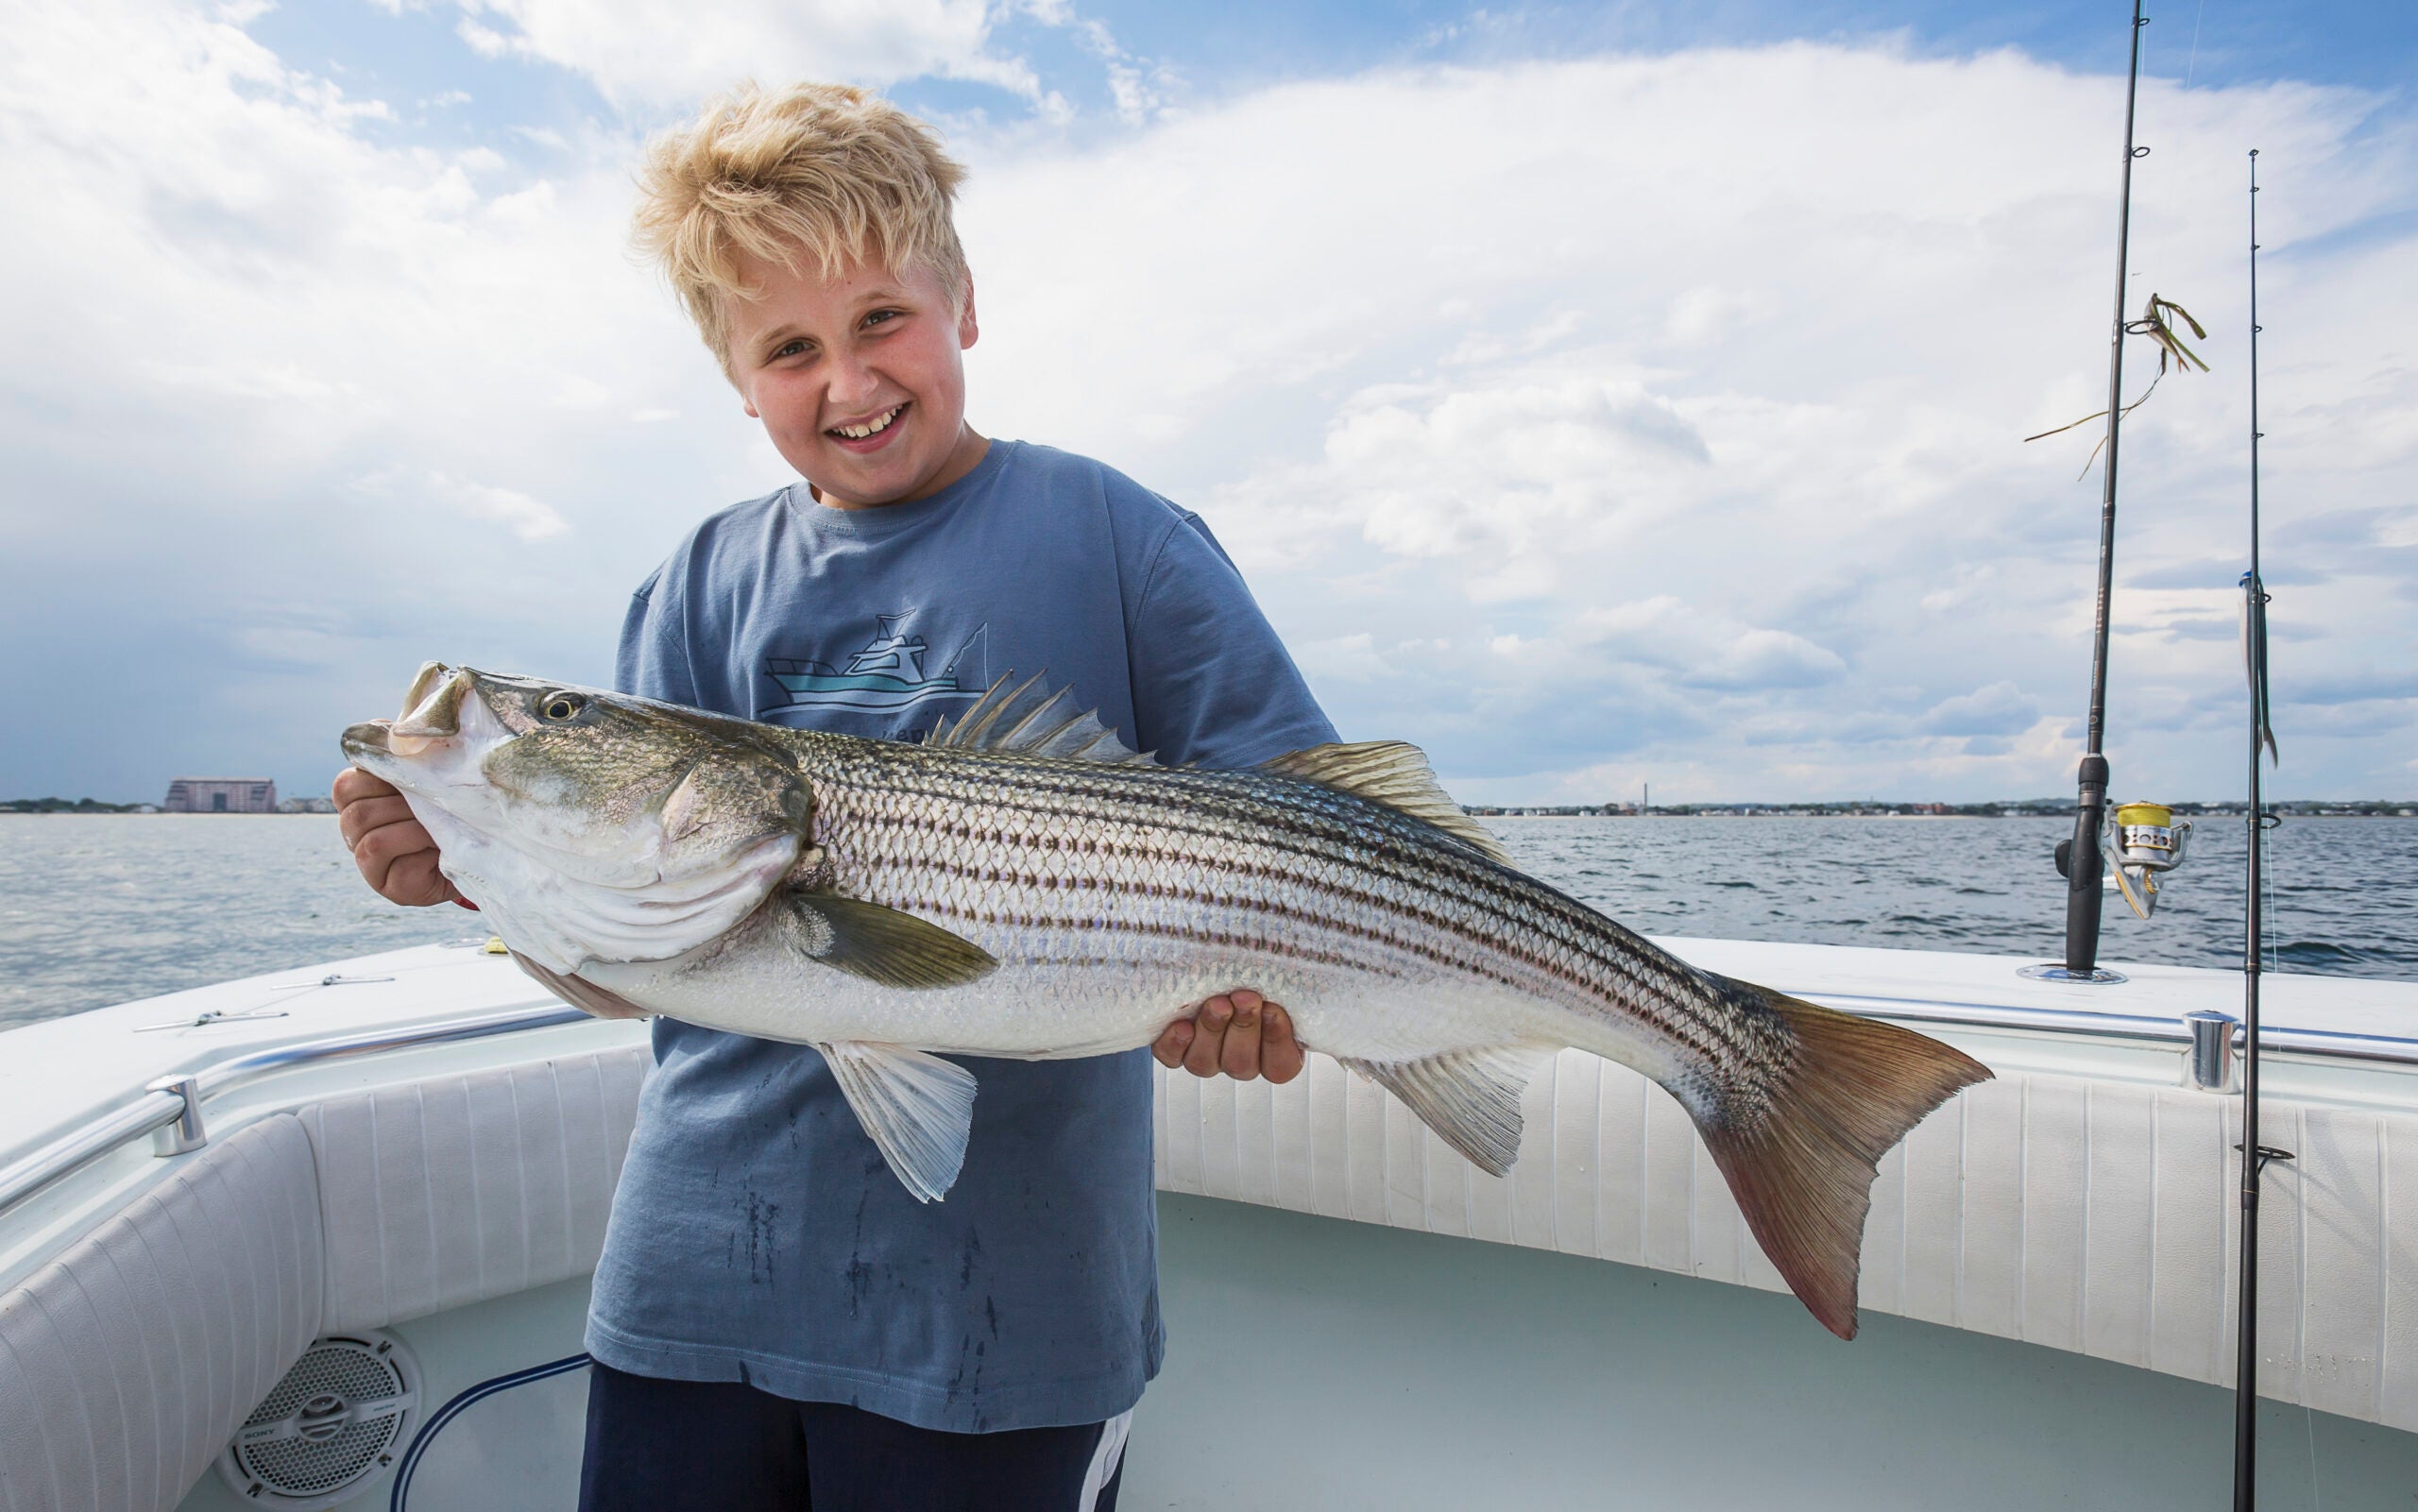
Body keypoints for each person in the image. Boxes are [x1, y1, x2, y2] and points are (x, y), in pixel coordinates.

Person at [332, 81, 1335, 1511]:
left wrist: (1264, 1000)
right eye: (790, 349)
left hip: (1014, 1324)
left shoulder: (1123, 542)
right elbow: (633, 968)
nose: (848, 383)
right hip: (692, 1291)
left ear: (966, 306)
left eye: (882, 320)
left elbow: (1323, 830)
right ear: (737, 381)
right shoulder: (693, 584)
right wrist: (478, 862)